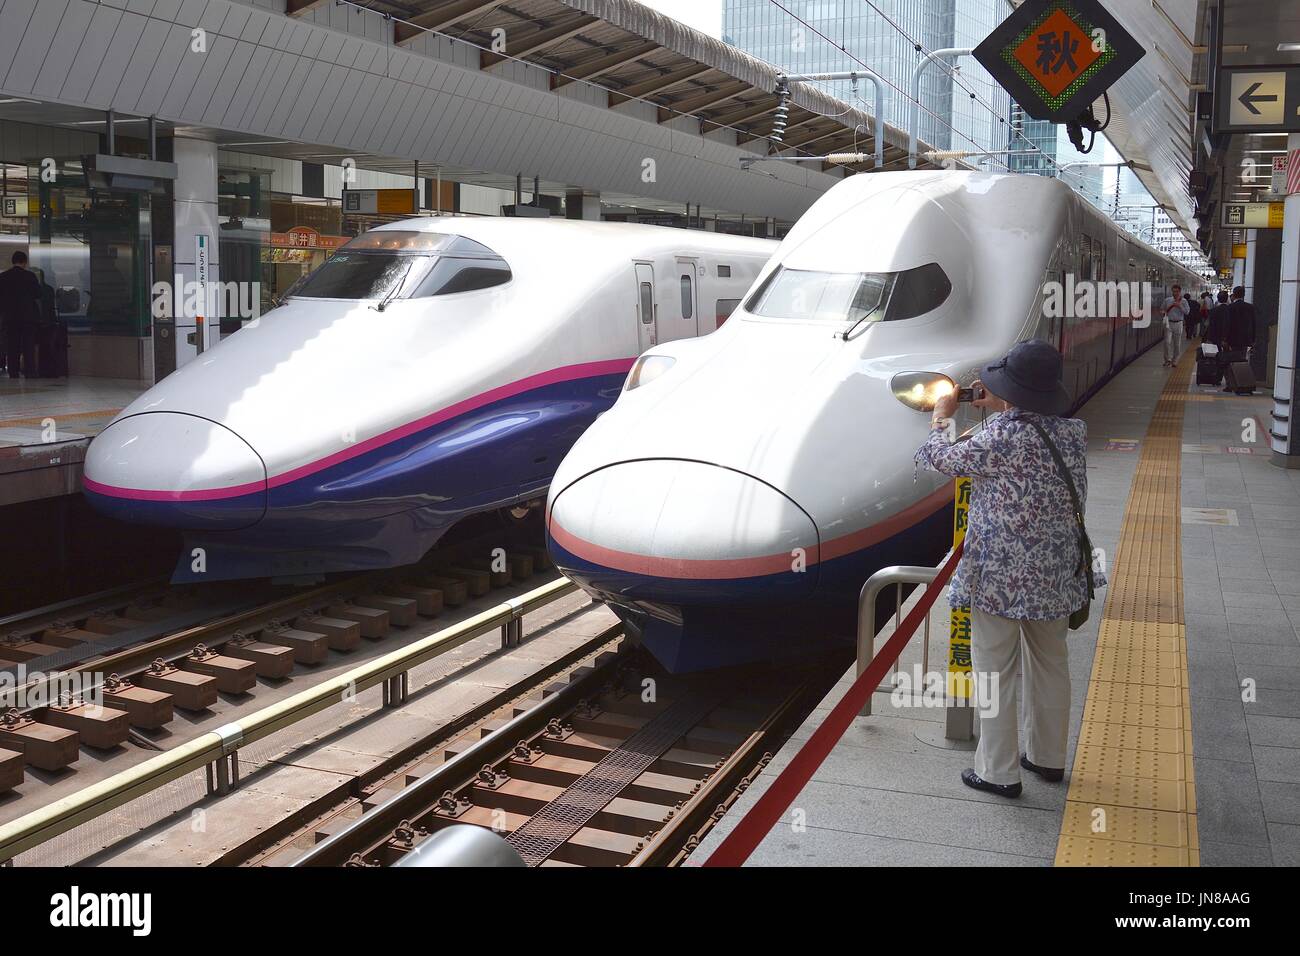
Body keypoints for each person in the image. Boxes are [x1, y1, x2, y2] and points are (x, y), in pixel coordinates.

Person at [916, 340, 1104, 798]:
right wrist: (1001, 403)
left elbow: (937, 459)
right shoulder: (1070, 431)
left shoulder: (1002, 436)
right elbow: (1024, 430)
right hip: (1057, 573)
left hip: (1000, 576)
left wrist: (942, 414)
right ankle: (1047, 758)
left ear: (1012, 389)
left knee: (995, 669)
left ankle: (999, 772)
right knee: (1050, 663)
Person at [0, 250, 40, 378]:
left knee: (12, 345)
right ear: (24, 262)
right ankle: (30, 371)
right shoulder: (30, 276)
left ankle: (13, 371)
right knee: (28, 345)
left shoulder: (3, 277)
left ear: (13, 262)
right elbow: (38, 294)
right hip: (28, 317)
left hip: (10, 317)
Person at [1161, 284, 1187, 367]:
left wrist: (1180, 306)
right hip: (1169, 323)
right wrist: (1162, 312)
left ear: (1180, 291)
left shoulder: (1184, 301)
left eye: (1176, 291)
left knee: (1177, 343)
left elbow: (1187, 312)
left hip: (1179, 323)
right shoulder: (1167, 300)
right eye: (1173, 291)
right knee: (1167, 342)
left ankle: (1174, 360)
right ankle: (1167, 360)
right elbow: (1162, 309)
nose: (1175, 293)